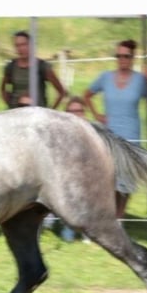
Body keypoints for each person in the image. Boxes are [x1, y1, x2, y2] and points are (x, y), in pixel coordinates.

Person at [83, 39, 147, 217]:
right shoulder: (105, 77)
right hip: (109, 134)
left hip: (131, 135)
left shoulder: (140, 80)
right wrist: (97, 115)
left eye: (126, 56)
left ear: (132, 58)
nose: (122, 59)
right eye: (118, 56)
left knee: (126, 182)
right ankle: (108, 215)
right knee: (108, 178)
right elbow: (87, 95)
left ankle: (119, 217)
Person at [0, 30, 66, 109]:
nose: (21, 48)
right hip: (16, 114)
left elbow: (61, 92)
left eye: (24, 44)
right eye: (17, 46)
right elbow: (3, 89)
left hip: (37, 114)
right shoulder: (11, 67)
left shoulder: (42, 66)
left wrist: (51, 111)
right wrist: (10, 104)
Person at [59, 97, 92, 243]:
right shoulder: (60, 134)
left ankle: (88, 234)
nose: (75, 114)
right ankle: (68, 232)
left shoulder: (91, 133)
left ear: (84, 113)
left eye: (78, 111)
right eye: (71, 111)